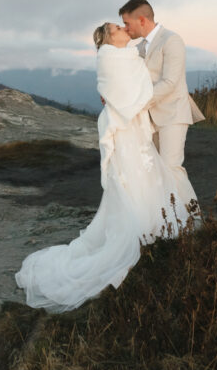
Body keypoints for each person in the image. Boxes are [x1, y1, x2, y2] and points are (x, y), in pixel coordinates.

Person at [14, 22, 200, 313]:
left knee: (147, 176)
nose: (122, 27)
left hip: (134, 126)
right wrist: (119, 96)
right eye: (116, 27)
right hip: (125, 128)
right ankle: (140, 231)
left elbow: (136, 84)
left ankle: (151, 225)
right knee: (133, 179)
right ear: (108, 38)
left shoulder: (128, 51)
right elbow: (123, 95)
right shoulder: (109, 57)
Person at [118, 0, 205, 189]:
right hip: (149, 118)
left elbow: (170, 83)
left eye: (126, 23)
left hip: (173, 113)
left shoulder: (171, 40)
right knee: (155, 170)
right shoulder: (139, 48)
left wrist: (137, 102)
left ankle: (188, 218)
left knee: (171, 168)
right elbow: (133, 81)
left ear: (142, 20)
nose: (125, 28)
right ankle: (164, 216)